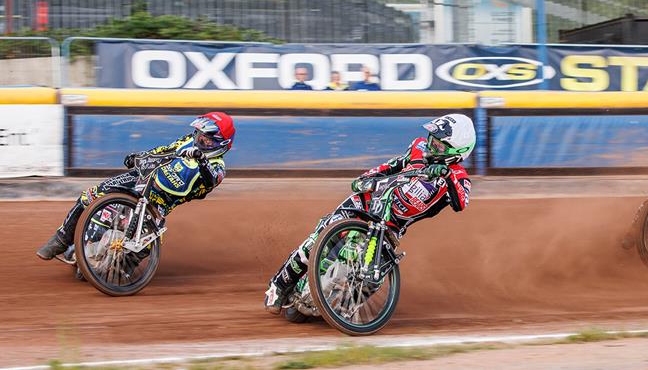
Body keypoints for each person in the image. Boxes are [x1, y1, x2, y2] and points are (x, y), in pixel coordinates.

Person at [264, 113, 475, 313]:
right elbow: (391, 165)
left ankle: (343, 311)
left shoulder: (459, 177)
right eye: (432, 138)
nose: (431, 144)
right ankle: (279, 285)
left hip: (391, 227)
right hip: (364, 204)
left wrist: (446, 174)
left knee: (376, 275)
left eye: (438, 143)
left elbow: (460, 203)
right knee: (321, 236)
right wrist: (366, 178)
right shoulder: (418, 147)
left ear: (456, 151)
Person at [36, 112, 235, 262]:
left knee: (145, 245)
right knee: (91, 195)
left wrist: (201, 160)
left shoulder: (218, 168)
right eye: (199, 134)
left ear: (221, 144)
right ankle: (61, 239)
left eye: (206, 138)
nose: (199, 139)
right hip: (142, 176)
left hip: (160, 202)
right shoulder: (188, 141)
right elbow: (165, 149)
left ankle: (118, 274)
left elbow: (210, 179)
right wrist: (140, 156)